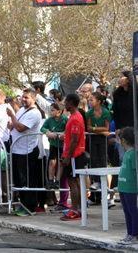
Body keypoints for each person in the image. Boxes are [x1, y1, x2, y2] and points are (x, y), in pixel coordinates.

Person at [7, 88, 44, 216]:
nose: (23, 99)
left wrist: (12, 116)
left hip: (27, 151)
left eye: (27, 97)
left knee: (28, 180)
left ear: (34, 99)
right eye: (23, 97)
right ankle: (22, 204)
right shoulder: (22, 110)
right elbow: (13, 125)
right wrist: (12, 122)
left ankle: (30, 206)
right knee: (19, 180)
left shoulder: (35, 113)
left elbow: (21, 128)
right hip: (17, 149)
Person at [60, 93, 87, 221]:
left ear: (71, 103)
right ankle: (79, 209)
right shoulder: (73, 117)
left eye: (66, 102)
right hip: (73, 155)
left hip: (74, 156)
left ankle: (75, 210)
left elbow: (75, 140)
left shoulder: (76, 118)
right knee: (74, 182)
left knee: (73, 182)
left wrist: (68, 156)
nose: (64, 104)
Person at [41, 103, 68, 191]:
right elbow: (42, 128)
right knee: (52, 163)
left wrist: (63, 134)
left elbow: (68, 129)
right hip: (53, 144)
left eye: (52, 110)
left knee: (60, 163)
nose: (50, 111)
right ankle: (50, 180)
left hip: (62, 145)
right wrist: (48, 132)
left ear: (59, 111)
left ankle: (57, 181)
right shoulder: (49, 120)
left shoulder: (64, 119)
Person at [118, 127, 137, 244]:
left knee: (132, 210)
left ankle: (134, 234)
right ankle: (129, 233)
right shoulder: (127, 153)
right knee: (126, 211)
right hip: (123, 187)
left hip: (130, 188)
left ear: (123, 140)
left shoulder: (133, 154)